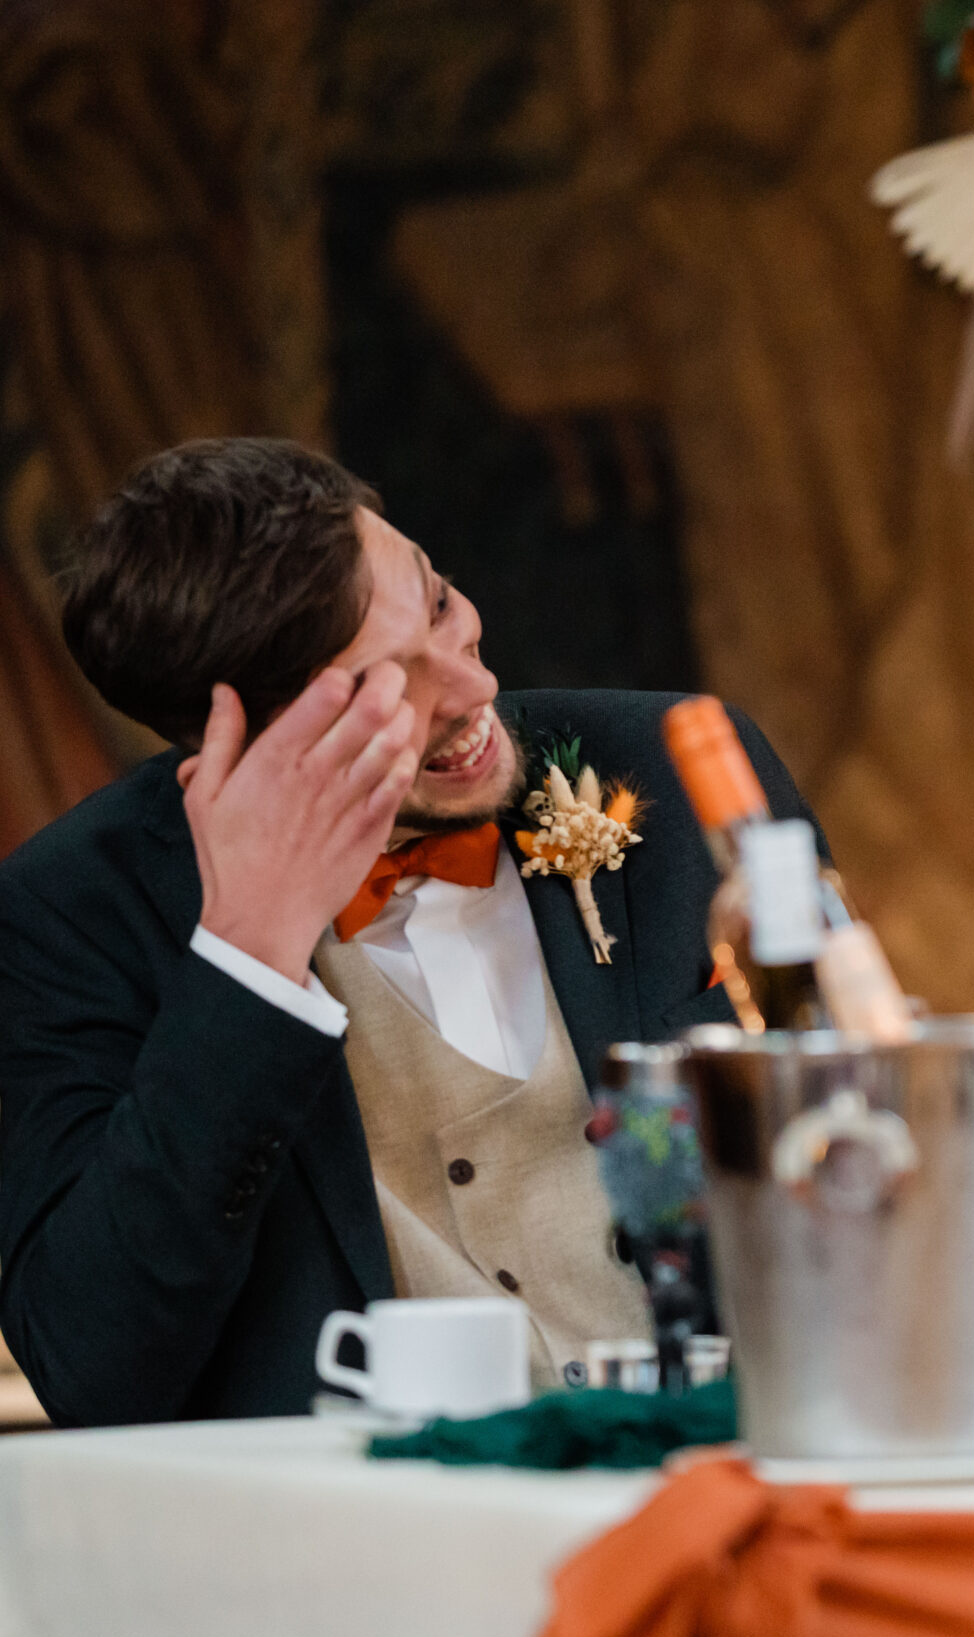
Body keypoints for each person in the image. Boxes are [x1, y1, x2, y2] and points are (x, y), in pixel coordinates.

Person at [0, 439, 819, 1425]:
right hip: (373, 1544)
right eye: (385, 687)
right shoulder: (65, 917)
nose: (470, 687)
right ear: (238, 738)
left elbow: (858, 1139)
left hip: (738, 1475)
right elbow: (94, 1367)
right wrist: (246, 962)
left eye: (436, 603)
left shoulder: (679, 767)